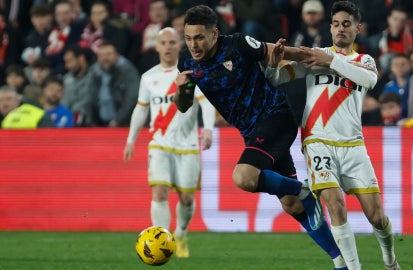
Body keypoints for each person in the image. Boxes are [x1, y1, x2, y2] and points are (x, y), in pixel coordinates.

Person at [174, 5, 347, 270]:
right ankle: (341, 261)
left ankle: (304, 190)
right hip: (251, 132)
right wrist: (182, 90)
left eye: (199, 37)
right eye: (188, 38)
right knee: (291, 206)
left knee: (243, 177)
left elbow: (282, 52)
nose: (193, 45)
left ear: (214, 34)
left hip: (275, 116)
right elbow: (184, 105)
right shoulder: (186, 61)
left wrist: (330, 59)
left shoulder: (238, 45)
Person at [264, 1, 401, 269]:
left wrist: (333, 61)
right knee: (334, 202)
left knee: (376, 217)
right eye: (336, 24)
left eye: (346, 24)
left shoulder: (364, 61)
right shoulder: (315, 56)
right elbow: (276, 79)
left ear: (357, 29)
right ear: (330, 27)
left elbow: (370, 81)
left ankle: (390, 259)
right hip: (317, 141)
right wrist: (272, 64)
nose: (340, 29)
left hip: (353, 145)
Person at [124, 27, 215, 258]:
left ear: (179, 46)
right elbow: (140, 109)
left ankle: (181, 232)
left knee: (186, 198)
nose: (167, 46)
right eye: (163, 42)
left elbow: (206, 103)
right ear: (157, 46)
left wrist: (208, 130)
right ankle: (163, 240)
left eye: (172, 42)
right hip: (159, 143)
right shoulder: (149, 77)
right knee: (160, 193)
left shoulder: (192, 73)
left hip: (188, 145)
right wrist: (131, 139)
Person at [89, 41, 139, 127]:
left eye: (108, 54)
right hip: (101, 124)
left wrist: (117, 121)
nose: (105, 58)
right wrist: (92, 121)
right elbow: (90, 98)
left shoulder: (127, 71)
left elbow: (131, 99)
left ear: (117, 55)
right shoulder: (94, 72)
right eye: (101, 55)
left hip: (123, 124)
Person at [61, 44, 95, 126]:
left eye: (70, 61)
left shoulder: (95, 75)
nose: (67, 66)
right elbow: (64, 102)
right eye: (66, 62)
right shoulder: (66, 79)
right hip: (69, 123)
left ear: (81, 59)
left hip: (92, 123)